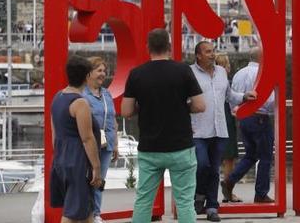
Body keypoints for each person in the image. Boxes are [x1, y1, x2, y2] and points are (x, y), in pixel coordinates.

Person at [121, 29, 205, 223]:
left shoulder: (137, 74)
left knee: (144, 201)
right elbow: (200, 105)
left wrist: (143, 106)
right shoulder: (183, 70)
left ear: (148, 47)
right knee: (184, 202)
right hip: (181, 147)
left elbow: (126, 111)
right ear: (169, 47)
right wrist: (182, 107)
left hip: (150, 148)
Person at [190, 41, 255, 221]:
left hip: (219, 129)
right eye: (208, 52)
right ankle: (199, 194)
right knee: (201, 165)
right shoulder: (190, 73)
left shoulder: (221, 73)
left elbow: (229, 95)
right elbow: (183, 98)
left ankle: (211, 206)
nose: (212, 54)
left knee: (214, 170)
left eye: (213, 51)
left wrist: (243, 97)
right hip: (198, 130)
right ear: (198, 55)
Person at [49, 55, 102, 223]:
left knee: (85, 209)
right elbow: (87, 138)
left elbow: (54, 133)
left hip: (61, 157)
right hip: (78, 161)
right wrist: (96, 166)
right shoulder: (80, 103)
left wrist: (59, 156)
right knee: (71, 214)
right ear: (87, 76)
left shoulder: (57, 97)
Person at [222, 47, 276, 204]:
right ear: (261, 57)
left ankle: (229, 181)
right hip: (260, 117)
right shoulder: (261, 73)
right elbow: (269, 100)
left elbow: (232, 97)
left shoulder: (239, 73)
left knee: (251, 155)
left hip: (243, 118)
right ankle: (260, 193)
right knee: (265, 157)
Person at [83, 57, 118, 223]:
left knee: (100, 181)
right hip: (90, 143)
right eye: (99, 71)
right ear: (89, 73)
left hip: (106, 143)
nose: (103, 74)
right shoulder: (82, 95)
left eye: (104, 71)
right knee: (87, 179)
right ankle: (85, 213)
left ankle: (96, 214)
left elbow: (113, 119)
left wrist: (116, 144)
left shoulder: (107, 93)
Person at [214, 53, 242, 202]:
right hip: (226, 119)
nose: (230, 67)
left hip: (215, 118)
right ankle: (228, 191)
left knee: (215, 156)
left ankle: (210, 193)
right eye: (228, 65)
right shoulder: (225, 82)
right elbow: (232, 99)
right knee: (229, 157)